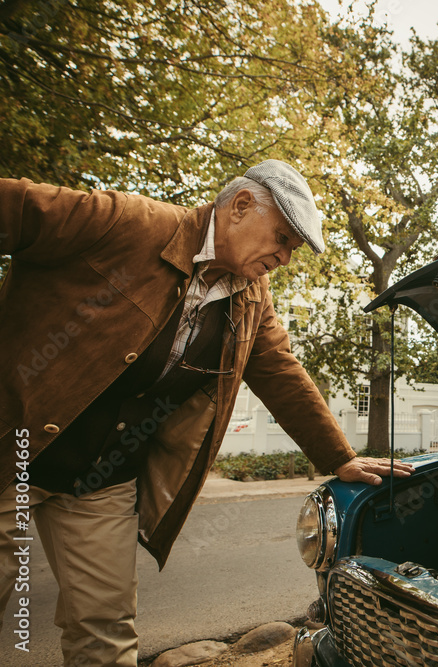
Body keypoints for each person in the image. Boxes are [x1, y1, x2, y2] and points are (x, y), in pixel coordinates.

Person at [0, 159, 413, 665]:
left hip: (99, 477)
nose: (284, 256)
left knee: (104, 630)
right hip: (12, 448)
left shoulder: (250, 297)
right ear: (240, 206)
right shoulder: (129, 222)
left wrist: (339, 458)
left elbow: (281, 373)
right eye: (282, 237)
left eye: (292, 249)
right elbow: (17, 208)